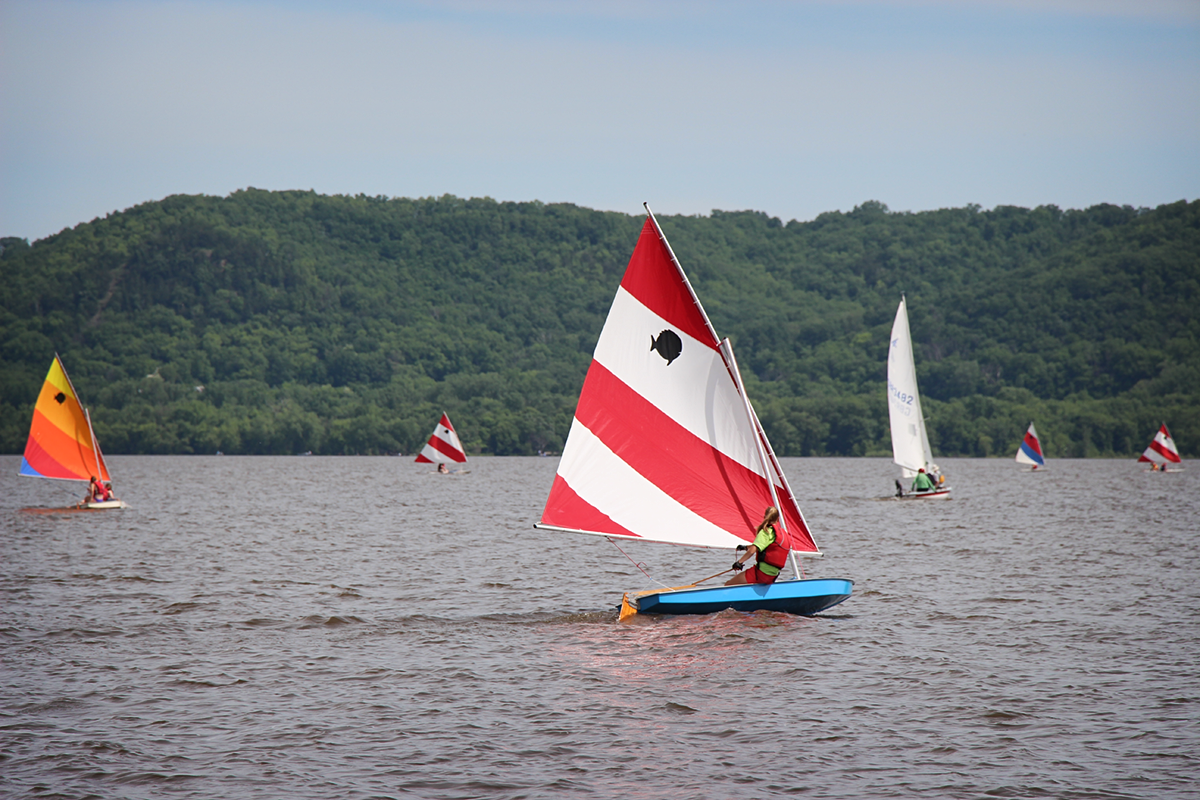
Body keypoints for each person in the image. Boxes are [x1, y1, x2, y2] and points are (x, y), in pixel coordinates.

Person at [725, 507, 789, 586]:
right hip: (773, 575)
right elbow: (768, 546)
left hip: (761, 574)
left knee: (728, 585)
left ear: (765, 517)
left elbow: (753, 550)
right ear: (778, 519)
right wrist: (745, 547)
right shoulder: (783, 534)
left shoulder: (765, 532)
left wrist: (739, 563)